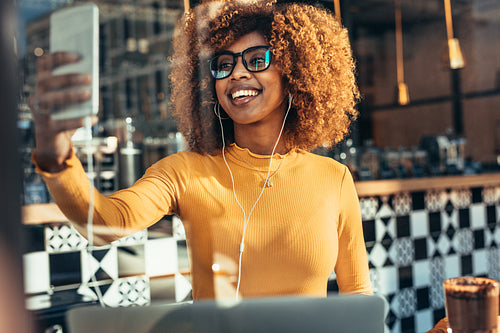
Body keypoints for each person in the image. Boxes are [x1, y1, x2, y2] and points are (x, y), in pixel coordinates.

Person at [29, 0, 372, 301]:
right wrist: (56, 159)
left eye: (256, 59)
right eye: (223, 65)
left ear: (293, 72)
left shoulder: (333, 179)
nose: (236, 73)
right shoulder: (185, 172)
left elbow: (357, 293)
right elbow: (104, 225)